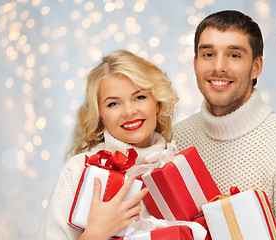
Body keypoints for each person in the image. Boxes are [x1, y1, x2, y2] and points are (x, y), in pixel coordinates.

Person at [173, 10, 276, 239]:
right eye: (209, 54)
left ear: (256, 67)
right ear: (195, 63)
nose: (219, 66)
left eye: (234, 55)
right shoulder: (175, 140)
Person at [39, 50, 179, 240]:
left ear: (157, 103)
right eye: (113, 104)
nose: (129, 111)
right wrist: (97, 233)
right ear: (101, 116)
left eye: (140, 97)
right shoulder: (79, 170)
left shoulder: (178, 166)